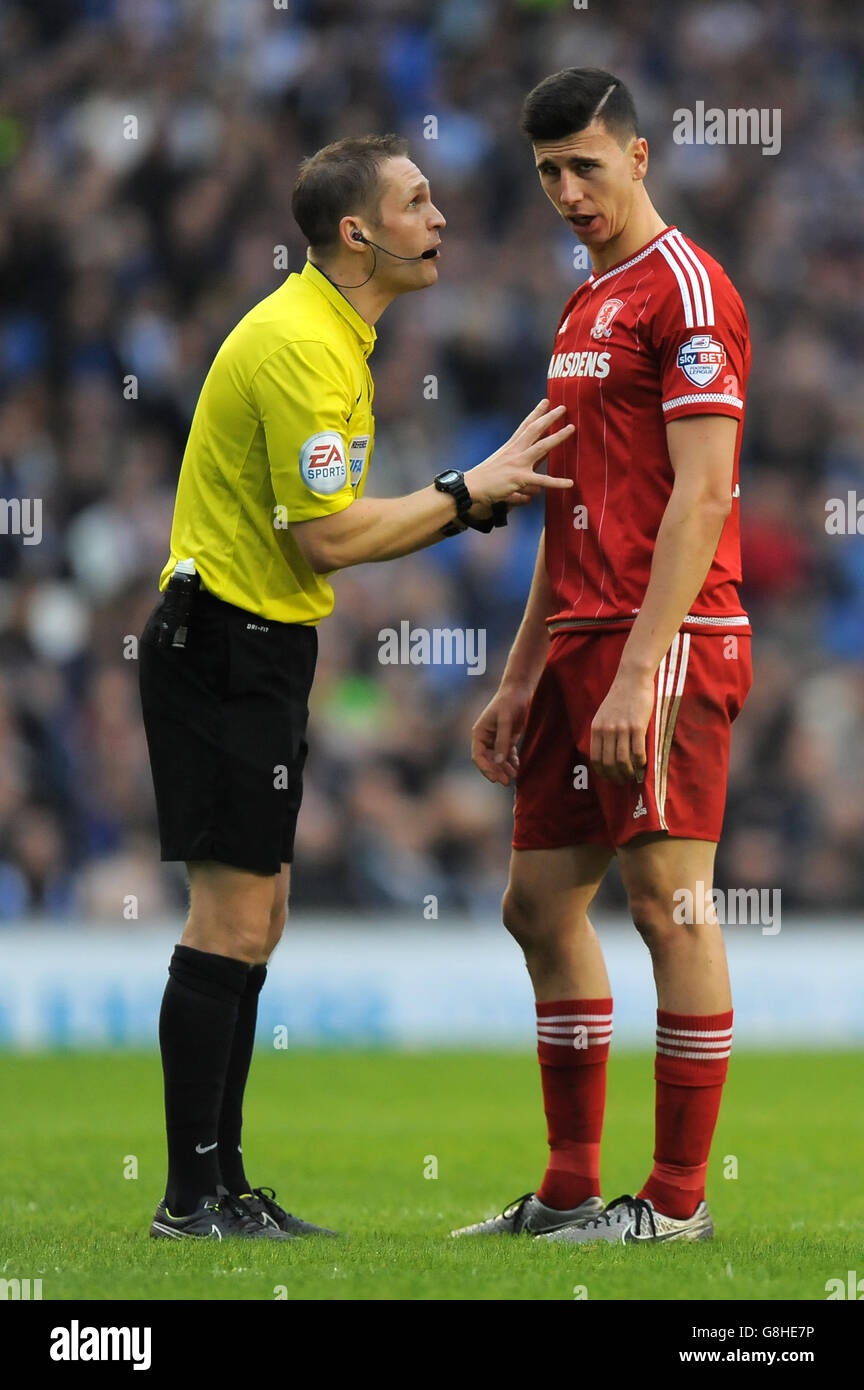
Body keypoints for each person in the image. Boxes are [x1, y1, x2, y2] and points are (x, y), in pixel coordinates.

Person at [137, 133, 573, 1240]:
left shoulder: (336, 335)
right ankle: (192, 1199)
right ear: (357, 232)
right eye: (419, 201)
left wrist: (469, 488)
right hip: (221, 643)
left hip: (263, 646)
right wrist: (466, 491)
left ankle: (223, 1186)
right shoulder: (299, 344)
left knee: (261, 915)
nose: (441, 218)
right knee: (231, 916)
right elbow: (328, 536)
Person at [454, 68, 752, 1245]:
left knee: (670, 905)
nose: (569, 191)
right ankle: (571, 1186)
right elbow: (564, 498)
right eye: (548, 174)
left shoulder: (687, 288)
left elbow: (706, 490)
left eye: (586, 165)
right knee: (536, 906)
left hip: (661, 641)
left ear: (638, 155)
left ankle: (676, 1203)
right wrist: (525, 670)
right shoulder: (587, 307)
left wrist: (641, 661)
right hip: (576, 642)